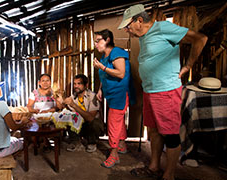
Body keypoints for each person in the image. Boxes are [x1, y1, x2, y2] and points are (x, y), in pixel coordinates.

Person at [118, 4, 207, 180]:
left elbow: (200, 39)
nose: (127, 30)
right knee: (153, 130)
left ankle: (169, 175)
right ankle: (154, 167)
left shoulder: (163, 28)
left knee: (170, 133)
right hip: (150, 90)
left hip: (166, 90)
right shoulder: (143, 36)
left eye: (128, 26)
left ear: (139, 21)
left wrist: (188, 66)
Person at [93, 29, 135, 168]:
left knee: (113, 123)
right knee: (117, 120)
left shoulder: (116, 52)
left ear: (108, 40)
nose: (96, 44)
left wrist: (103, 67)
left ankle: (114, 154)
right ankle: (122, 145)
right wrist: (100, 89)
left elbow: (121, 73)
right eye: (95, 41)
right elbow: (104, 75)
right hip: (111, 94)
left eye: (98, 40)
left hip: (120, 94)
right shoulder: (105, 57)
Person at [63, 74, 104, 153]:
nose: (76, 86)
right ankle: (75, 141)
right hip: (81, 126)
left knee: (94, 122)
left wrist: (74, 105)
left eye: (79, 84)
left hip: (91, 127)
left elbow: (90, 118)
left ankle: (92, 142)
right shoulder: (73, 96)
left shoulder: (92, 96)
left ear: (86, 85)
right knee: (68, 116)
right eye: (74, 84)